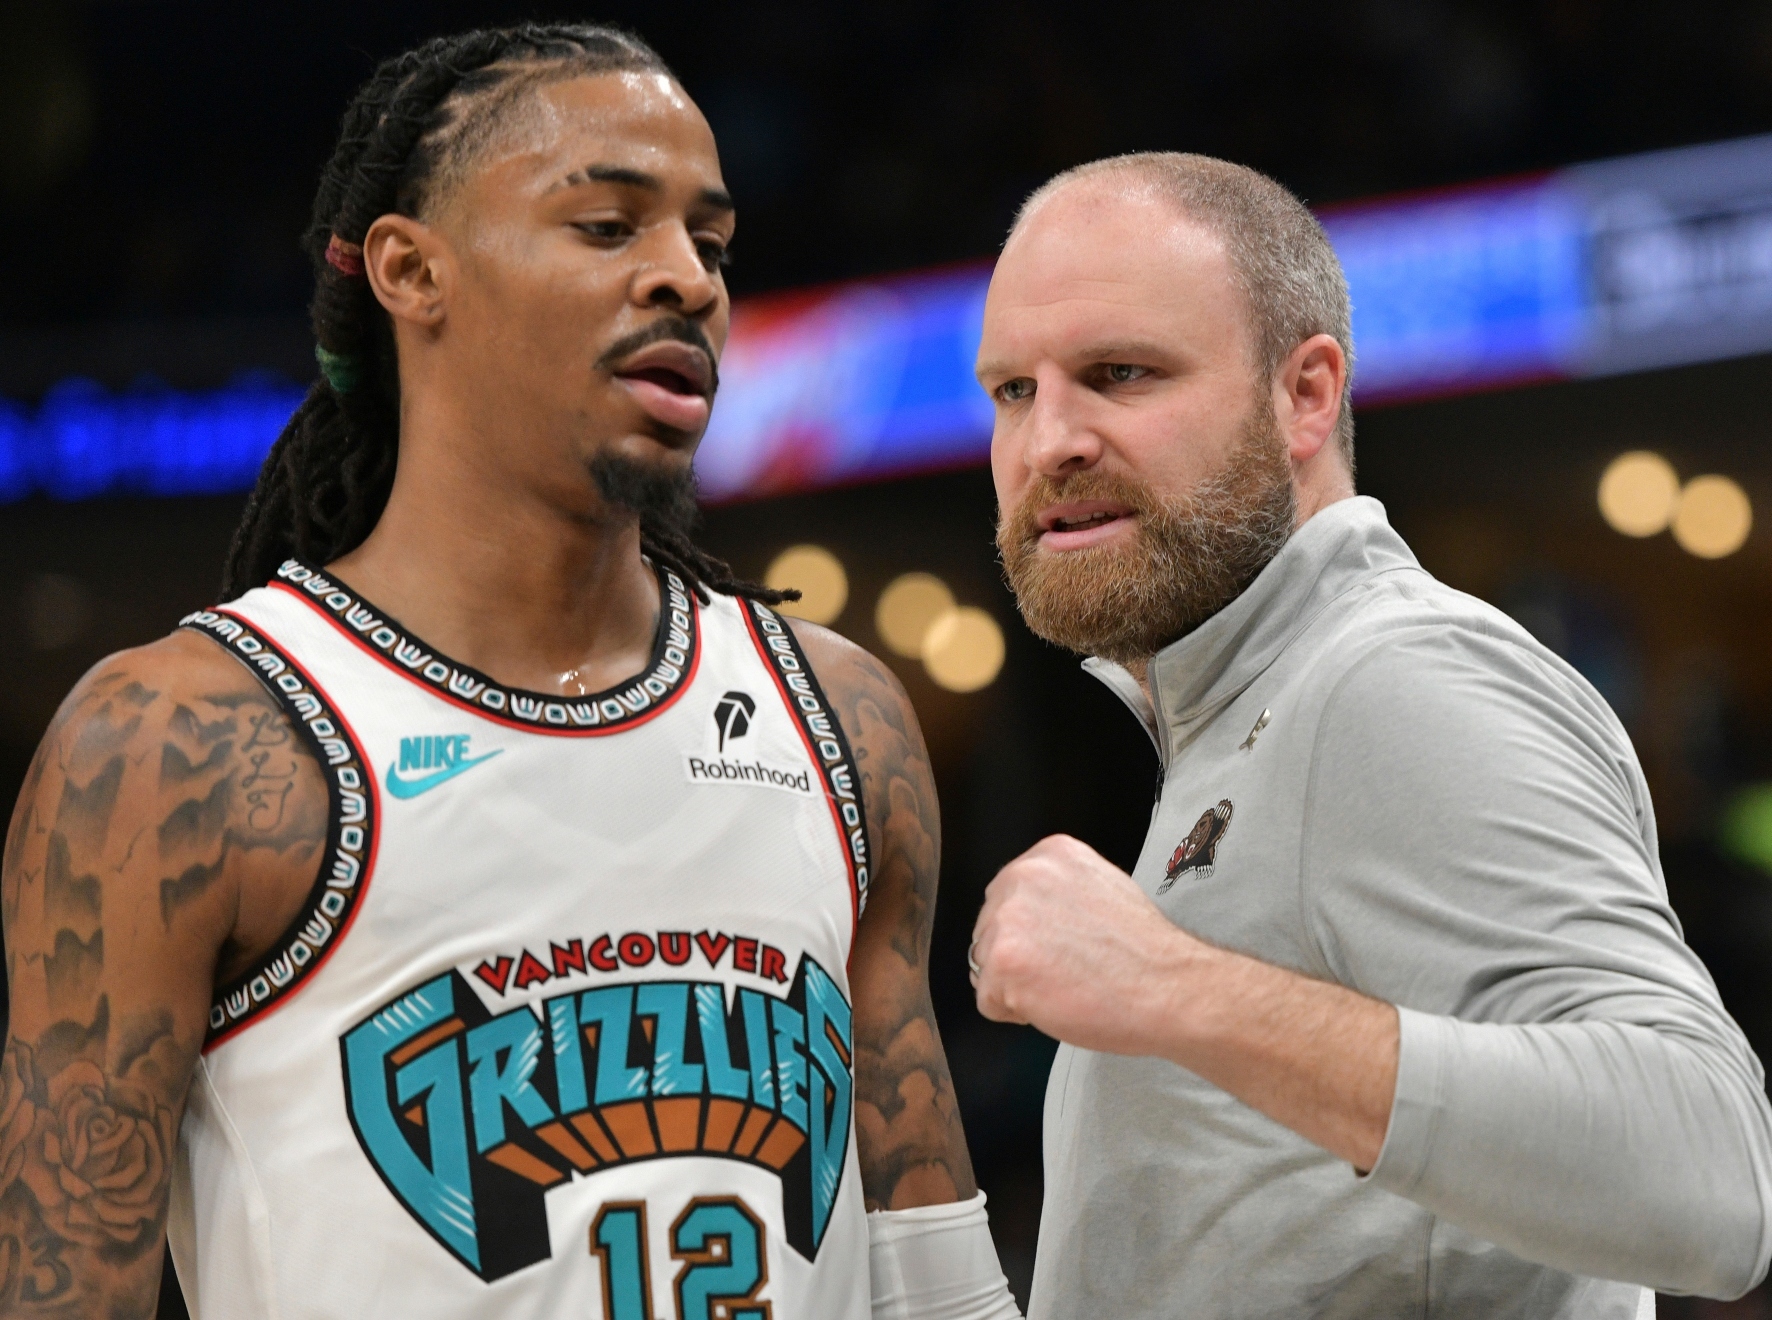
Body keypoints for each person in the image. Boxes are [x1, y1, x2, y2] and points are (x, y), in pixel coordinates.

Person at [0, 25, 1019, 1320]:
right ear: (411, 271)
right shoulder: (178, 745)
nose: (688, 281)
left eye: (709, 243)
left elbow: (937, 1288)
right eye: (608, 226)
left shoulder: (840, 716)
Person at [968, 151, 1772, 1317]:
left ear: (1305, 396)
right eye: (1012, 390)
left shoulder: (1390, 675)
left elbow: (1711, 1171)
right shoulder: (1246, 711)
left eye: (1121, 373)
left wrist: (1176, 987)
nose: (1049, 441)